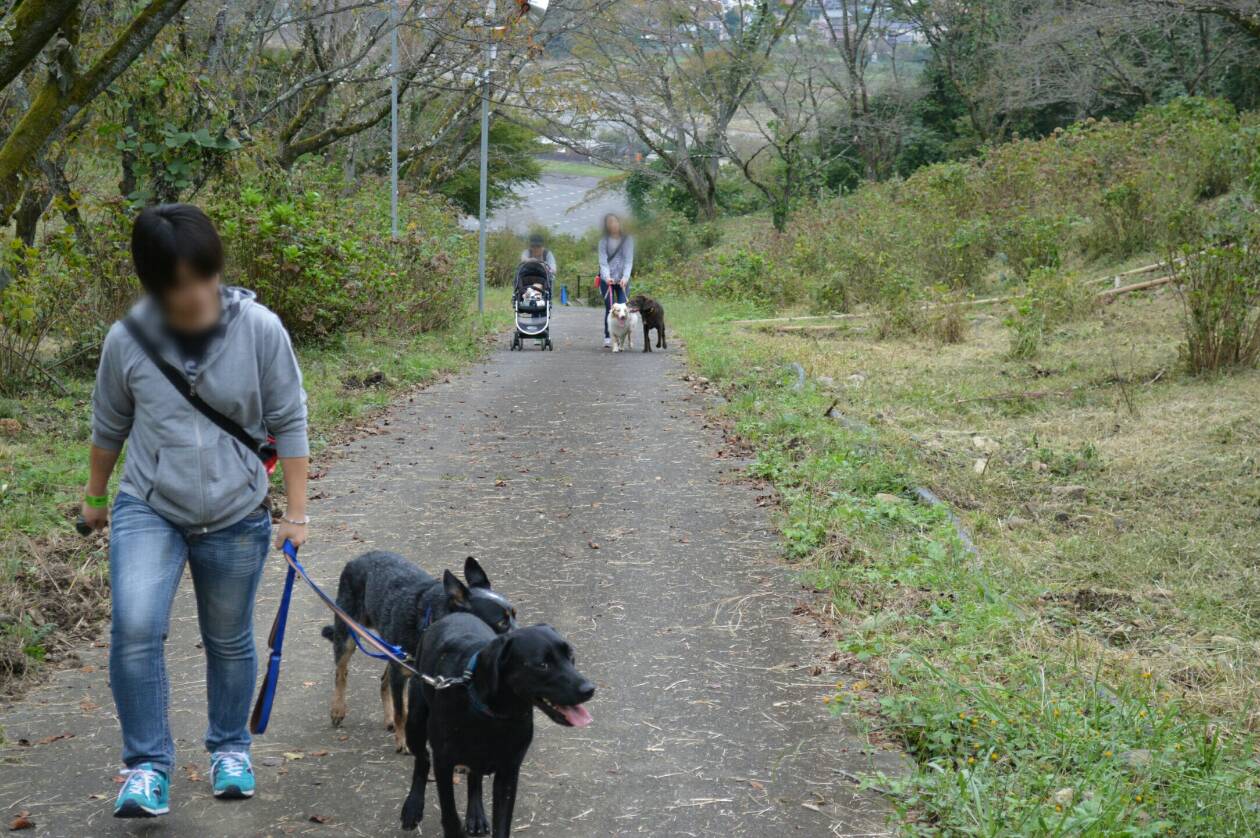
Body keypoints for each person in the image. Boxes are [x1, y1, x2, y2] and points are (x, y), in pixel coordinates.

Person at [82, 204, 310, 819]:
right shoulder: (126, 340)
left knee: (229, 639)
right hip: (149, 505)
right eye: (179, 284)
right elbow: (110, 425)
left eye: (205, 277)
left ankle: (230, 750)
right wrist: (97, 497)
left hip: (237, 512)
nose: (197, 294)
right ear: (153, 284)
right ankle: (147, 767)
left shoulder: (260, 329)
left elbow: (290, 419)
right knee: (134, 628)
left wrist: (297, 512)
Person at [597, 213, 634, 348]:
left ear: (619, 223)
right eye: (609, 223)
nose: (613, 225)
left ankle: (622, 336)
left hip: (623, 279)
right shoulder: (603, 241)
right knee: (610, 307)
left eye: (615, 222)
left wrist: (625, 278)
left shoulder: (627, 240)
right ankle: (609, 335)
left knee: (623, 308)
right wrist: (607, 278)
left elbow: (628, 260)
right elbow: (603, 262)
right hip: (607, 280)